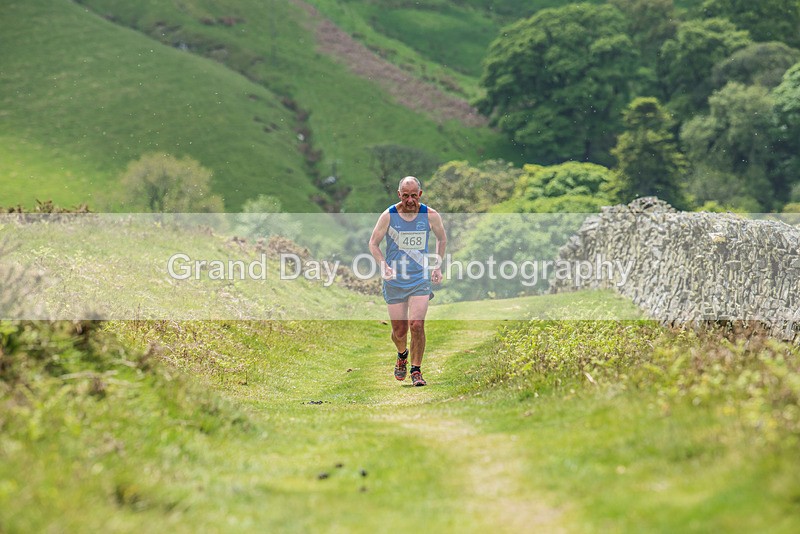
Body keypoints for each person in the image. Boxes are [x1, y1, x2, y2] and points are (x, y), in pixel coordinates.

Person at [368, 176, 447, 387]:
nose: (410, 200)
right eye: (405, 196)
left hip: (419, 279)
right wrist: (383, 265)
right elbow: (373, 244)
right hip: (395, 281)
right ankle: (402, 354)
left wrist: (437, 265)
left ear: (420, 194)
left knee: (417, 325)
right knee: (400, 331)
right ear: (399, 194)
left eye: (414, 195)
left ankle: (416, 370)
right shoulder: (388, 216)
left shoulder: (430, 215)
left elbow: (441, 238)